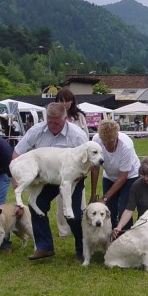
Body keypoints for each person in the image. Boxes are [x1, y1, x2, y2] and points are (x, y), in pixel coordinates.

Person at [13, 102, 89, 261]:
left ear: (65, 118)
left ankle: (82, 249)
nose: (53, 125)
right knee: (37, 205)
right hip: (46, 177)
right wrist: (17, 177)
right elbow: (17, 153)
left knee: (73, 214)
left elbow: (89, 161)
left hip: (73, 177)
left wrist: (81, 176)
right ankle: (44, 247)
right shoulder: (36, 131)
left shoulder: (77, 135)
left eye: (57, 122)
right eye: (50, 122)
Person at [90, 119, 140, 229]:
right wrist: (93, 194)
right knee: (109, 209)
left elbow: (122, 177)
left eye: (111, 143)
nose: (107, 146)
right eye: (105, 143)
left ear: (116, 136)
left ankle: (125, 235)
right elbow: (95, 168)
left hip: (129, 176)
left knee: (124, 208)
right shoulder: (96, 140)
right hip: (109, 175)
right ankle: (110, 235)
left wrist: (104, 198)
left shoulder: (126, 146)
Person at [55, 88, 88, 237]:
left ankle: (82, 223)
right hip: (61, 161)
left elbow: (85, 137)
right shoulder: (54, 116)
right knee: (61, 196)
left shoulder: (79, 116)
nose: (64, 103)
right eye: (61, 100)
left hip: (77, 161)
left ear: (72, 101)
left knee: (79, 197)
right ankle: (63, 230)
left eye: (67, 100)